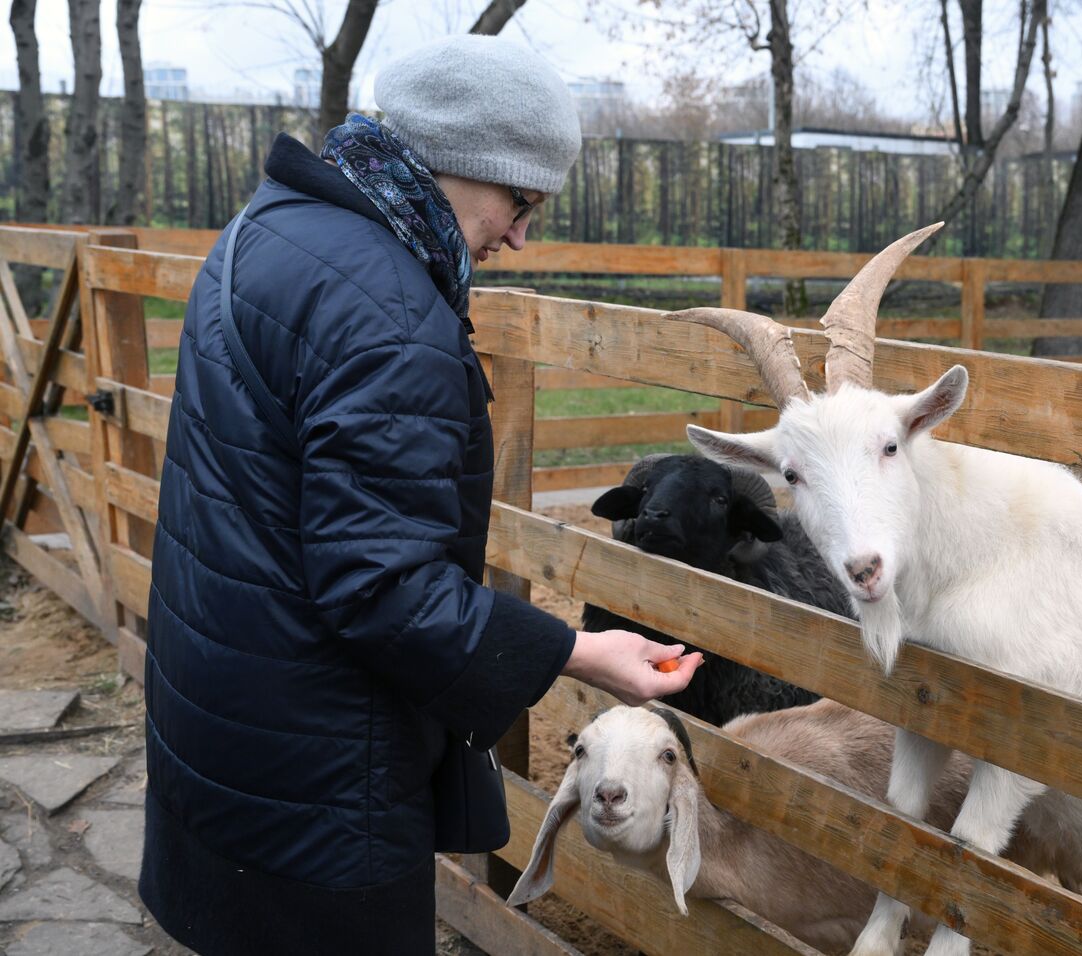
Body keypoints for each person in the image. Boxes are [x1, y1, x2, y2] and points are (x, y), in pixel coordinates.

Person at [138, 34, 701, 956]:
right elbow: (382, 587)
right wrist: (578, 651)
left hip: (221, 711)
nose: (522, 234)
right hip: (316, 768)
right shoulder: (394, 317)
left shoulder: (270, 228)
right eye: (522, 200)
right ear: (458, 165)